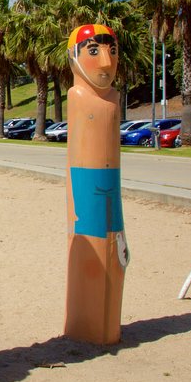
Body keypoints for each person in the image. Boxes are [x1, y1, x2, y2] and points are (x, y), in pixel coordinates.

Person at [64, 24, 129, 345]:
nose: (106, 62)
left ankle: (104, 327)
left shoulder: (114, 99)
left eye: (112, 51)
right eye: (94, 51)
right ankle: (87, 326)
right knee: (92, 250)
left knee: (114, 254)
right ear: (72, 57)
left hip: (109, 190)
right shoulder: (78, 96)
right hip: (87, 191)